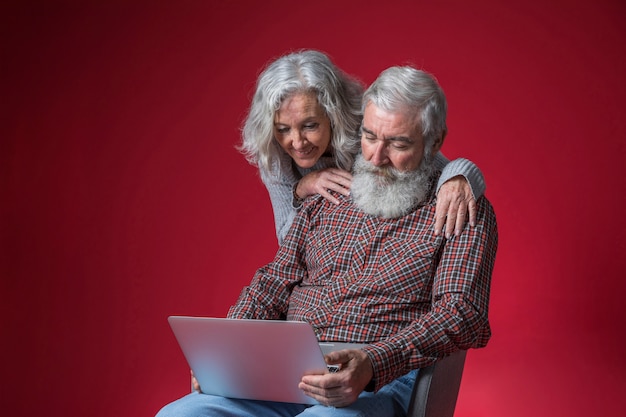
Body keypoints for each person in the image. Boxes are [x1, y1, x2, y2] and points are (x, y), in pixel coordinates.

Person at [156, 65, 498, 417]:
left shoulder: (458, 209)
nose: (377, 157)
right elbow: (274, 281)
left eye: (398, 144)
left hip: (378, 380)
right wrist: (224, 351)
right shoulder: (325, 196)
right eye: (369, 136)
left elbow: (462, 314)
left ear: (435, 141)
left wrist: (374, 363)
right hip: (284, 373)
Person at [238, 50, 486, 243]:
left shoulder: (367, 131)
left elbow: (433, 156)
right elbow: (287, 243)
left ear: (333, 114)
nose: (297, 142)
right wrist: (301, 190)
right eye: (283, 129)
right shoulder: (274, 156)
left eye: (310, 125)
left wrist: (460, 177)